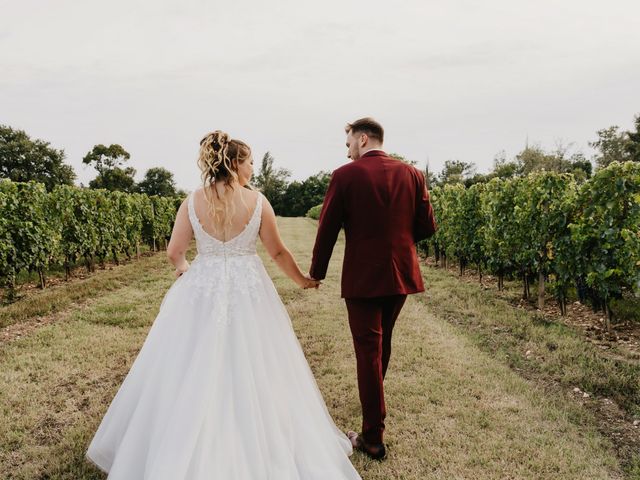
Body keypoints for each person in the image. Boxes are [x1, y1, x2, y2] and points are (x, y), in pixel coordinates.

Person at [85, 130, 362, 480]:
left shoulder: (192, 201)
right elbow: (276, 251)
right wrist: (302, 280)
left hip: (202, 288)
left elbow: (175, 252)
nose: (252, 168)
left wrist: (185, 269)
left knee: (188, 364)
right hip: (249, 289)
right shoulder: (257, 202)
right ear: (234, 164)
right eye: (249, 162)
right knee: (259, 362)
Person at [308, 117, 437, 460]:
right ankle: (373, 404)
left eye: (349, 141)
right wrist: (400, 244)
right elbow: (428, 225)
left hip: (363, 277)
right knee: (382, 343)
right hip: (401, 275)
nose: (347, 149)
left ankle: (373, 438)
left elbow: (327, 228)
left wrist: (316, 272)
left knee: (369, 351)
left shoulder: (345, 175)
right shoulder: (412, 173)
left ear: (363, 139)